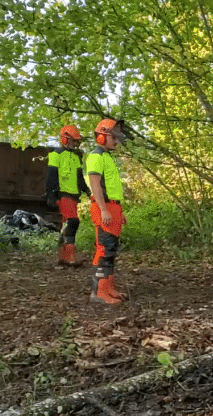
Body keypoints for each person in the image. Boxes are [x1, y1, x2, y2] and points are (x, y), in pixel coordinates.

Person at [87, 118, 128, 304]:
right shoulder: (95, 157)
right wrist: (104, 209)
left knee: (111, 249)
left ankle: (108, 287)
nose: (116, 141)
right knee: (103, 249)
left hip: (113, 207)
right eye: (113, 137)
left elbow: (110, 187)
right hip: (104, 208)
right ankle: (99, 292)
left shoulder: (106, 157)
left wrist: (119, 211)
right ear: (102, 137)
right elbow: (96, 186)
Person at [45, 125, 91, 267]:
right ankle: (70, 257)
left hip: (73, 196)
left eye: (77, 141)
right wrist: (51, 195)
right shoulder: (56, 155)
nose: (76, 144)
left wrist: (88, 192)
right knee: (72, 222)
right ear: (65, 140)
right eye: (73, 141)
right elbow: (51, 177)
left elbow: (79, 178)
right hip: (62, 194)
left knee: (66, 224)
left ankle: (62, 257)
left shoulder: (76, 157)